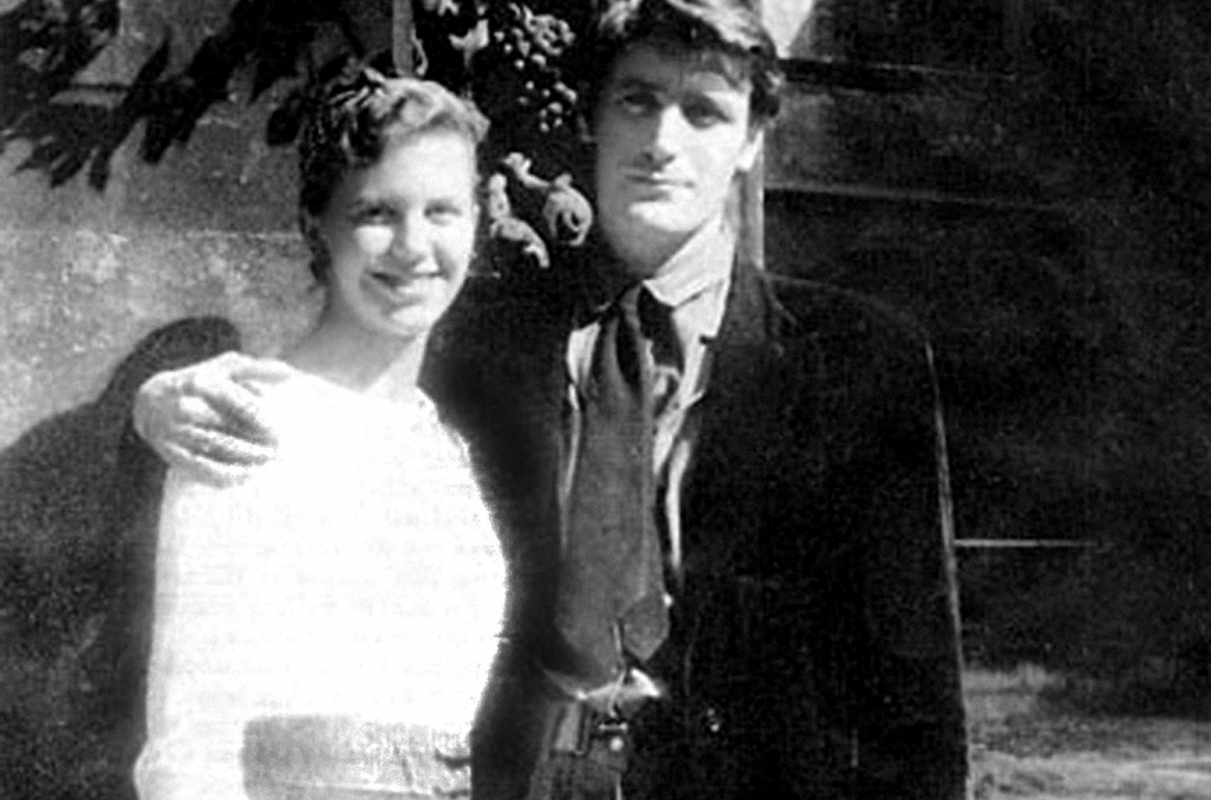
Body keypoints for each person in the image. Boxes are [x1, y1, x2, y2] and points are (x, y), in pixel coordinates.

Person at [131, 1, 969, 798]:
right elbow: (346, 388)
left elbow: (916, 706)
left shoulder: (858, 362)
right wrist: (160, 400)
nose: (662, 142)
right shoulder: (482, 340)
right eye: (637, 101)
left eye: (704, 112)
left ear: (751, 139)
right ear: (592, 117)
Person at [128, 67, 507, 799]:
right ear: (315, 227)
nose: (413, 247)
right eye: (376, 213)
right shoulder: (247, 418)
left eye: (442, 211)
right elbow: (190, 741)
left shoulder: (447, 447)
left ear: (475, 223)